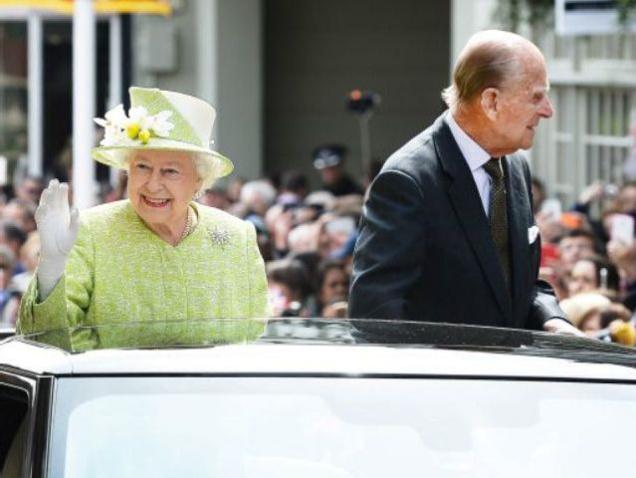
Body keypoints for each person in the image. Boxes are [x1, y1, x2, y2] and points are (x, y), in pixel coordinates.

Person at [349, 30, 580, 334]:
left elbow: (513, 285)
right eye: (536, 96)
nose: (547, 110)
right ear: (491, 101)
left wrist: (554, 320)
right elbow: (375, 312)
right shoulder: (407, 182)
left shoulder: (514, 167)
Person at [18, 87, 268, 351]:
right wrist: (50, 271)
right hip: (112, 391)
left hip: (216, 391)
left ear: (198, 180)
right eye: (142, 167)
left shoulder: (237, 236)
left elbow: (255, 338)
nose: (153, 184)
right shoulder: (90, 231)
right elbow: (46, 345)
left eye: (170, 171)